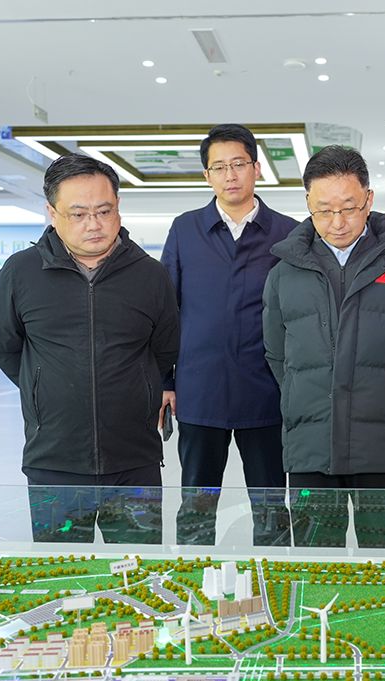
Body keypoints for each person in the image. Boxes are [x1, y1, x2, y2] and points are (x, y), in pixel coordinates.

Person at [0, 154, 179, 542]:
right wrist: (43, 387)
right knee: (63, 570)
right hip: (53, 462)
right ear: (52, 213)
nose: (94, 224)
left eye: (104, 211)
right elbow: (5, 347)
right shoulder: (21, 272)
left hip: (134, 462)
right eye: (78, 214)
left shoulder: (150, 274)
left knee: (137, 569)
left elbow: (164, 349)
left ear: (118, 207)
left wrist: (138, 389)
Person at [263, 145, 385, 547]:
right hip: (311, 446)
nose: (337, 222)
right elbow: (278, 355)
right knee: (316, 564)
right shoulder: (284, 273)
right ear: (308, 204)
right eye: (324, 210)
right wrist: (309, 402)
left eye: (349, 208)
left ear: (369, 199)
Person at [161, 125, 298, 545]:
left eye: (238, 164)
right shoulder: (185, 230)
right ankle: (191, 577)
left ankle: (274, 577)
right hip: (200, 391)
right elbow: (165, 311)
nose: (230, 175)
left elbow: (301, 314)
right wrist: (166, 382)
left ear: (257, 168)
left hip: (266, 392)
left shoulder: (289, 233)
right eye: (218, 167)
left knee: (271, 506)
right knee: (196, 505)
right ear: (207, 176)